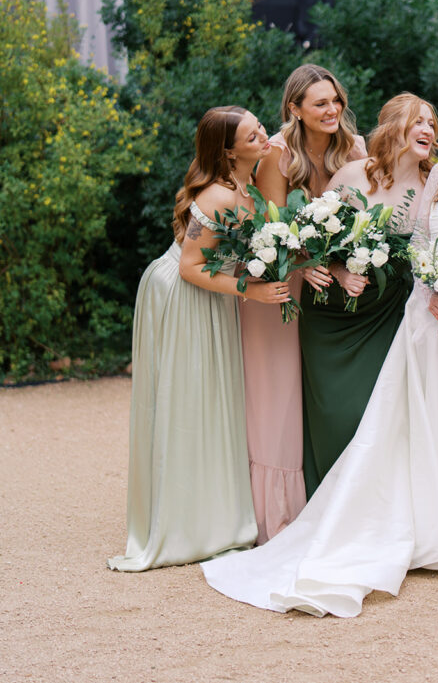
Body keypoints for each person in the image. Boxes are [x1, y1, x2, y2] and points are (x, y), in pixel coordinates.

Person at [201, 103, 438, 617]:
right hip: (427, 314)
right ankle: (433, 524)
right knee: (424, 419)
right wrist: (436, 289)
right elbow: (423, 237)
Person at [108, 106, 292, 572]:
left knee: (214, 403)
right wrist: (252, 289)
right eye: (254, 135)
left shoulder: (248, 184)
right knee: (188, 403)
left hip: (213, 294)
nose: (264, 136)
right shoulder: (214, 197)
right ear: (229, 150)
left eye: (262, 128)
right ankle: (184, 523)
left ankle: (213, 516)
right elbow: (190, 266)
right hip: (182, 295)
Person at [241, 63, 367, 538]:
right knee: (280, 391)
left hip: (333, 283)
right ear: (294, 109)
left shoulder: (354, 149)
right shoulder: (276, 155)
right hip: (284, 282)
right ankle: (279, 512)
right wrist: (308, 264)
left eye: (335, 99)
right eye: (320, 103)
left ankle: (334, 491)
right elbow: (275, 228)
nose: (333, 109)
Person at [299, 93, 438, 493]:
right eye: (418, 122)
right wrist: (341, 270)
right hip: (332, 312)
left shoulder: (436, 185)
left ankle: (372, 509)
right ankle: (326, 507)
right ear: (395, 126)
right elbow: (314, 238)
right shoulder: (352, 174)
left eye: (431, 124)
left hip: (391, 315)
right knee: (336, 413)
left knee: (375, 413)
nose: (428, 130)